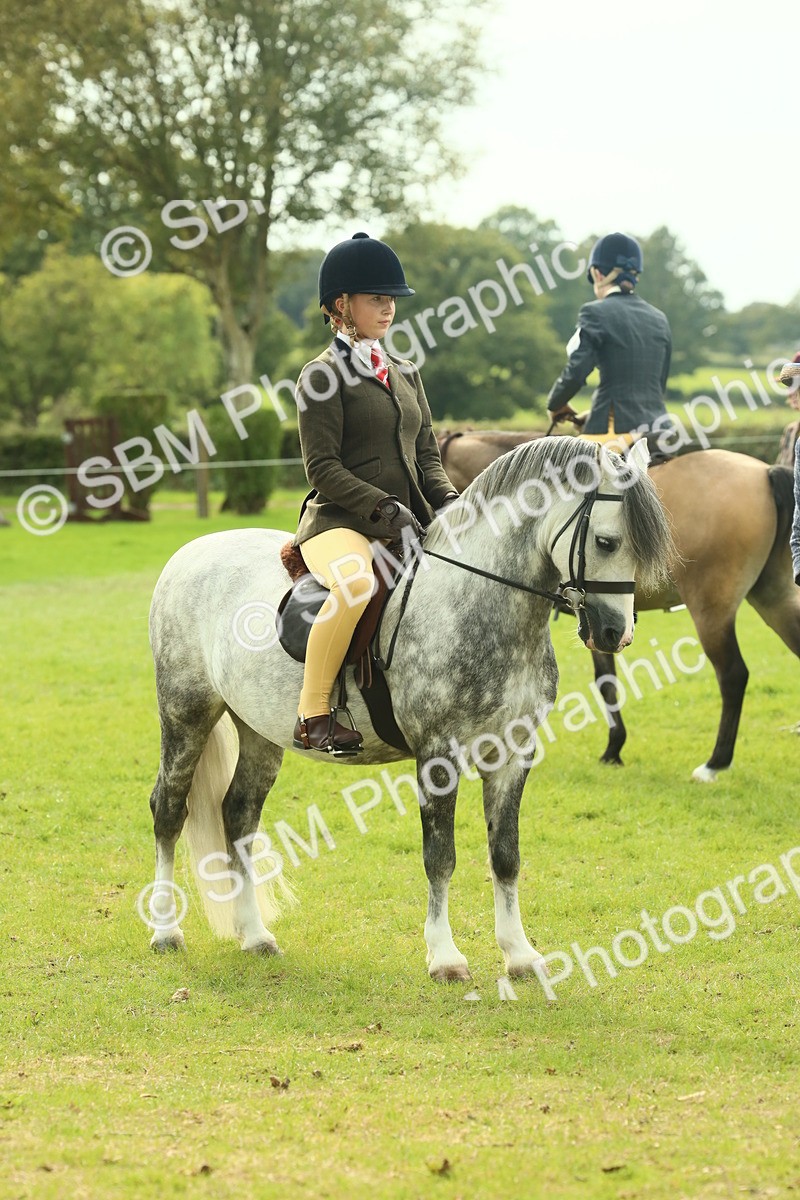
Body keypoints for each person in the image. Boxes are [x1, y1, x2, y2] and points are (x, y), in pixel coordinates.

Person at [291, 232, 458, 754]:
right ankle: (314, 712)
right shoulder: (320, 376)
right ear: (342, 305)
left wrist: (450, 501)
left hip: (409, 517)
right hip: (339, 523)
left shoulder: (406, 372)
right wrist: (384, 508)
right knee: (357, 585)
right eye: (376, 298)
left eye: (392, 300)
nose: (388, 308)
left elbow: (426, 452)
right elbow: (322, 467)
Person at [546, 232, 673, 441]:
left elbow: (577, 372)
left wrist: (556, 404)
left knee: (562, 469)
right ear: (635, 275)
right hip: (661, 431)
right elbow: (658, 385)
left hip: (619, 431)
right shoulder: (659, 318)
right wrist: (597, 413)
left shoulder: (594, 312)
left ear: (597, 274)